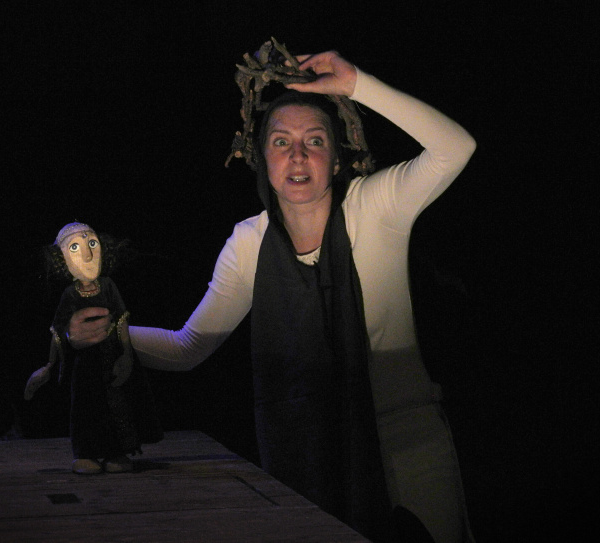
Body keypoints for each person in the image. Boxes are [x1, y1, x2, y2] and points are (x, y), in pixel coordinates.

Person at [67, 50, 476, 542]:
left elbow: (456, 147)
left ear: (336, 158)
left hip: (408, 443)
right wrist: (107, 332)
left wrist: (357, 84)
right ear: (261, 157)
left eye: (314, 141)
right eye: (281, 142)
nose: (298, 156)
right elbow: (189, 346)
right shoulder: (249, 243)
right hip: (309, 451)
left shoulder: (375, 206)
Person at [24, 222, 162, 474]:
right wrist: (50, 365)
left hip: (111, 357)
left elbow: (121, 319)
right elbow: (58, 329)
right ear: (61, 259)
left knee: (117, 403)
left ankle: (115, 452)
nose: (87, 255)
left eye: (91, 243)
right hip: (85, 362)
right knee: (86, 407)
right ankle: (85, 454)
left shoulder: (108, 285)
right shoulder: (70, 294)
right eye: (74, 247)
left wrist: (126, 354)